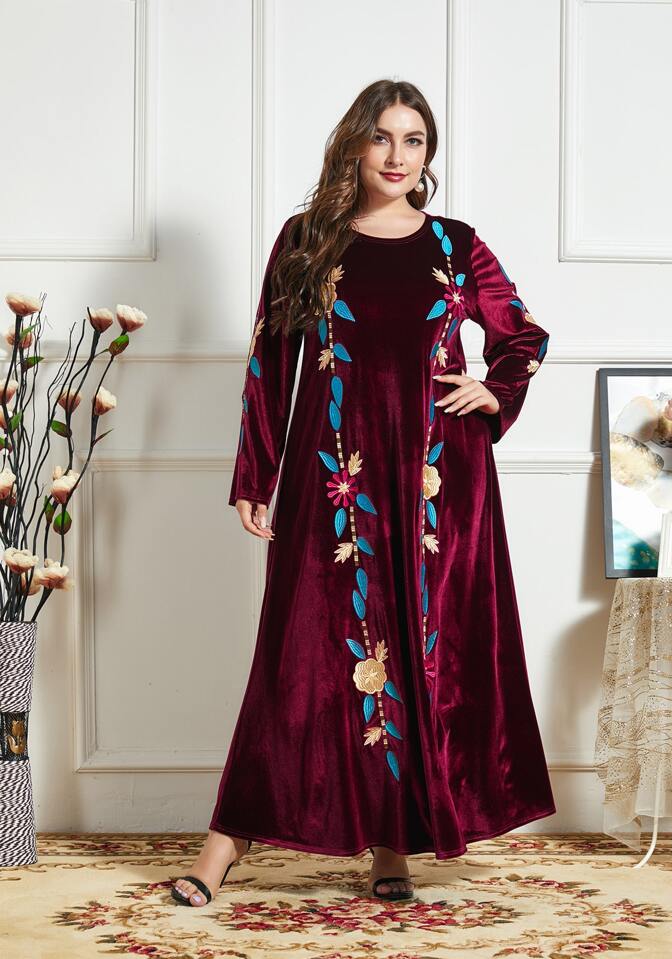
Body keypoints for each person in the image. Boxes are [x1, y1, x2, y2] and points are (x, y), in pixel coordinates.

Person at [172, 78, 555, 907]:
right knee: (297, 656)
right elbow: (271, 362)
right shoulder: (307, 242)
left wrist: (495, 389)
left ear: (429, 154)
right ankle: (223, 844)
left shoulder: (456, 245)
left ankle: (393, 846)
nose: (396, 155)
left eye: (413, 140)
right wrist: (255, 473)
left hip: (436, 486)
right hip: (333, 478)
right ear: (355, 144)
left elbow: (522, 332)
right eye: (382, 137)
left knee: (416, 655)